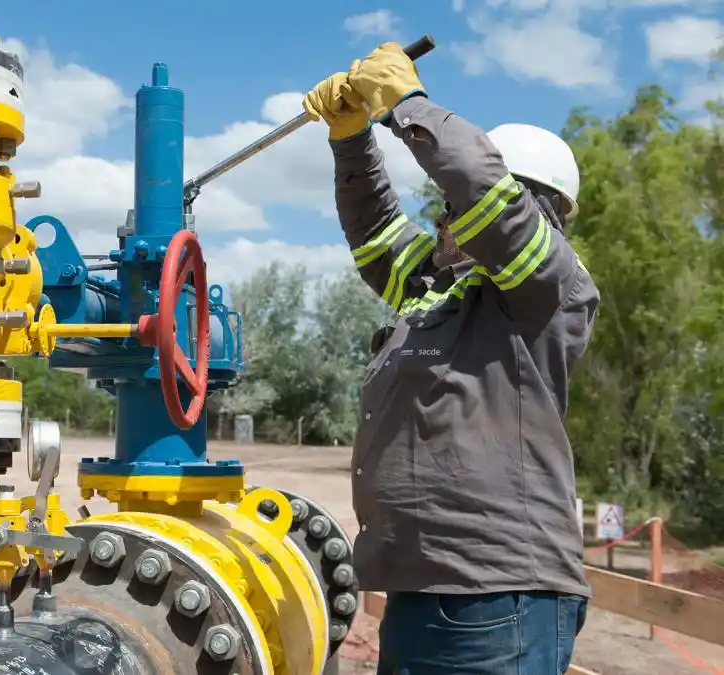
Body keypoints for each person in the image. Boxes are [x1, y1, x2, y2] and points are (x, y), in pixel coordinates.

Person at [301, 43, 599, 673]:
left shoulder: (545, 288)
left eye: (451, 207)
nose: (440, 220)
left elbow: (485, 193)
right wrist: (351, 138)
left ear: (526, 208)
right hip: (421, 590)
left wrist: (408, 105)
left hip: (497, 598)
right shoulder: (440, 292)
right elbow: (377, 234)